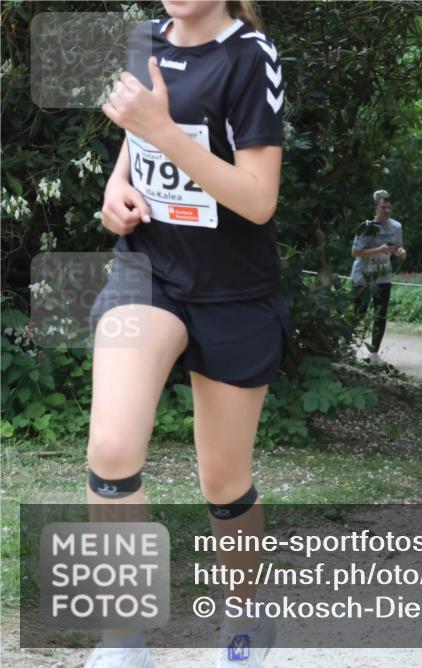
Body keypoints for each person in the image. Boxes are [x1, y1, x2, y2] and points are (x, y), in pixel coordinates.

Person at [88, 1, 286, 666]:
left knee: (224, 484)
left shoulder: (250, 56)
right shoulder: (142, 37)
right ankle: (123, 638)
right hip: (148, 272)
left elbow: (258, 199)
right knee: (112, 449)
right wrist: (117, 188)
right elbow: (136, 138)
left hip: (234, 292)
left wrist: (162, 130)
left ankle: (245, 618)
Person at [350, 189, 405, 364]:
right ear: (375, 208)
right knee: (358, 313)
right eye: (383, 207)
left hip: (383, 276)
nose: (387, 211)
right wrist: (379, 250)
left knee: (380, 314)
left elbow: (397, 247)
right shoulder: (365, 227)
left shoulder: (396, 227)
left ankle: (373, 354)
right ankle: (346, 348)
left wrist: (400, 252)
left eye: (390, 208)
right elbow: (355, 252)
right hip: (363, 276)